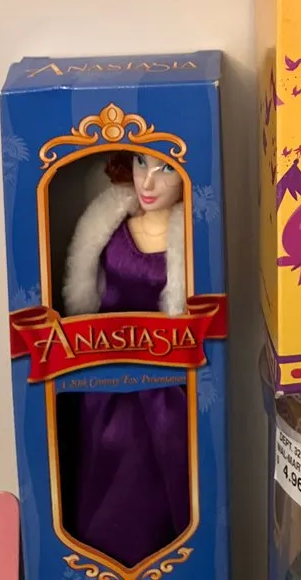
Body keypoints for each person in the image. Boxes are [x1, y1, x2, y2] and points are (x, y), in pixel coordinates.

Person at [61, 152, 190, 568]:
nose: (148, 182)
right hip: (103, 382)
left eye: (165, 168)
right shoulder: (109, 225)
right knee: (101, 466)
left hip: (164, 389)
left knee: (156, 476)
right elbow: (87, 294)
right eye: (140, 163)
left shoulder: (188, 239)